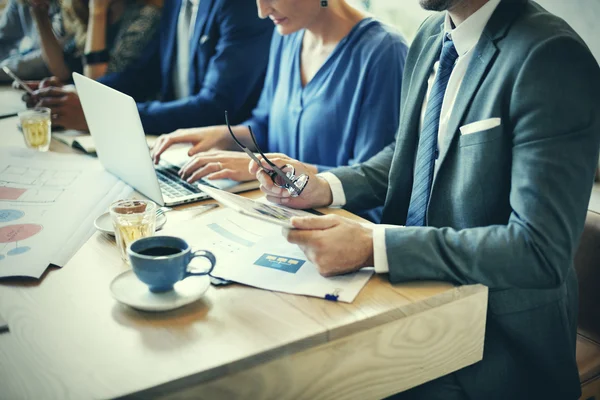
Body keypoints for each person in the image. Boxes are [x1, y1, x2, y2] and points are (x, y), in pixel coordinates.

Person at [251, 0, 600, 398]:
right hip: (408, 299)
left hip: (499, 339)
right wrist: (325, 186)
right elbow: (408, 156)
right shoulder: (431, 35)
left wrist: (373, 246)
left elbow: (538, 250)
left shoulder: (551, 56)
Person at [151, 0, 408, 221]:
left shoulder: (384, 51)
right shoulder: (288, 33)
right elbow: (265, 125)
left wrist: (275, 170)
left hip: (341, 225)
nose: (262, 11)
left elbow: (370, 178)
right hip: (282, 211)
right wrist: (222, 136)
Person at [25, 0, 274, 134]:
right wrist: (79, 94)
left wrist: (104, 115)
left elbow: (217, 107)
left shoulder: (242, 6)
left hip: (223, 154)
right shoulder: (176, 3)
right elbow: (146, 73)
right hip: (168, 143)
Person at [31, 0, 162, 81]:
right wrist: (39, 14)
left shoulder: (145, 16)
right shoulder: (85, 10)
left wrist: (98, 11)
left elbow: (97, 83)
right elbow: (62, 70)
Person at [0, 0, 64, 82]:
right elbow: (3, 39)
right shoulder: (20, 2)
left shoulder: (65, 8)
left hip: (49, 79)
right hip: (16, 63)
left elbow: (51, 58)